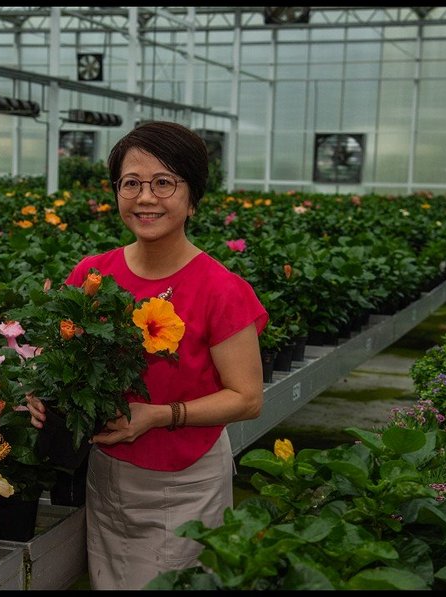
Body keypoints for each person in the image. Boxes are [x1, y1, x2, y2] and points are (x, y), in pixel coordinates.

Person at [26, 121, 268, 590]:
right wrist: (43, 394)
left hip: (184, 481)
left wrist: (159, 415)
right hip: (107, 472)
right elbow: (60, 357)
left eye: (164, 183)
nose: (145, 198)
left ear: (192, 197)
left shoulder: (221, 289)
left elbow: (246, 398)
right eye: (131, 183)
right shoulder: (93, 274)